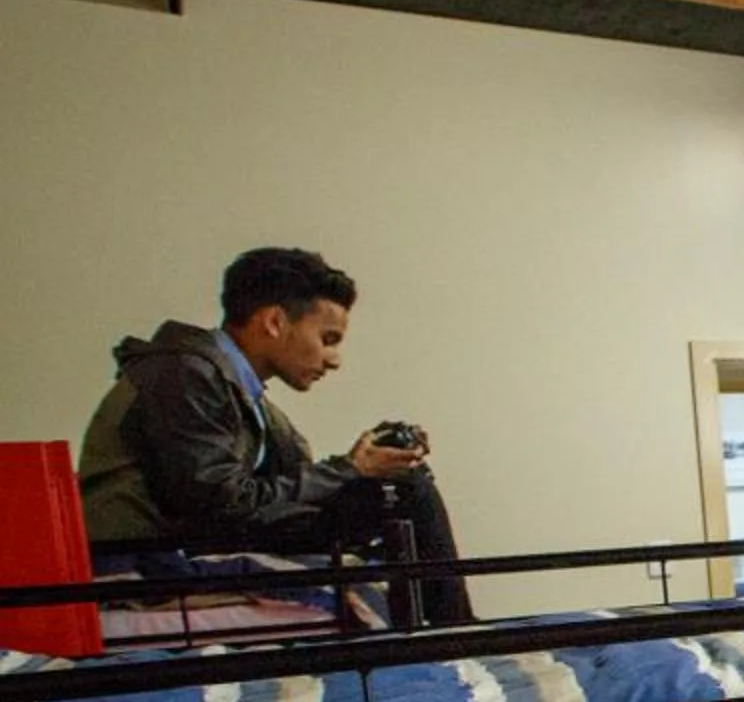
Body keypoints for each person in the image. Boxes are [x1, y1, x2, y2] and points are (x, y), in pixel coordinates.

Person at [77, 247, 474, 625]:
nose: (334, 360)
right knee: (406, 494)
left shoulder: (242, 393)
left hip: (206, 529)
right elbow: (219, 501)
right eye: (328, 339)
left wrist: (376, 462)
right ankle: (454, 630)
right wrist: (349, 469)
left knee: (400, 486)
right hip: (154, 554)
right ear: (273, 322)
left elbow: (295, 484)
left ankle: (447, 629)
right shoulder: (184, 375)